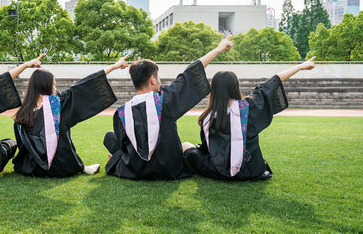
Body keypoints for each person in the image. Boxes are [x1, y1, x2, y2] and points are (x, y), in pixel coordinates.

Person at [103, 36, 234, 180]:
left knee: (109, 136)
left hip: (137, 168)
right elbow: (190, 73)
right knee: (111, 137)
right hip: (169, 167)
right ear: (153, 79)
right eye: (157, 77)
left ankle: (115, 160)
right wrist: (218, 49)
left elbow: (124, 145)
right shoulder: (165, 100)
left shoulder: (121, 112)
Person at [182, 57, 316, 181]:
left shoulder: (208, 117)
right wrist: (300, 67)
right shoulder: (249, 108)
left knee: (186, 145)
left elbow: (207, 148)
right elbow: (273, 82)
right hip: (250, 169)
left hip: (215, 170)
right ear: (235, 87)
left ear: (214, 90)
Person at [12, 55, 130, 177]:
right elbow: (84, 85)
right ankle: (82, 167)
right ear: (45, 86)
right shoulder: (57, 105)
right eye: (53, 84)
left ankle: (82, 167)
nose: (55, 88)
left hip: (31, 168)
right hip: (60, 167)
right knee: (60, 130)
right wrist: (114, 66)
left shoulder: (22, 114)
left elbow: (23, 146)